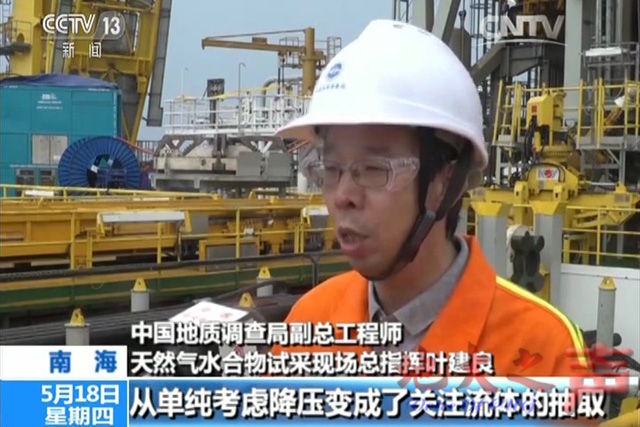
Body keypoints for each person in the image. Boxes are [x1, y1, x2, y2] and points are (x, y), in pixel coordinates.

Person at [271, 19, 590, 377]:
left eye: (373, 169)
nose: (343, 196)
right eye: (331, 170)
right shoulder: (310, 324)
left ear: (446, 180)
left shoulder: (542, 351)